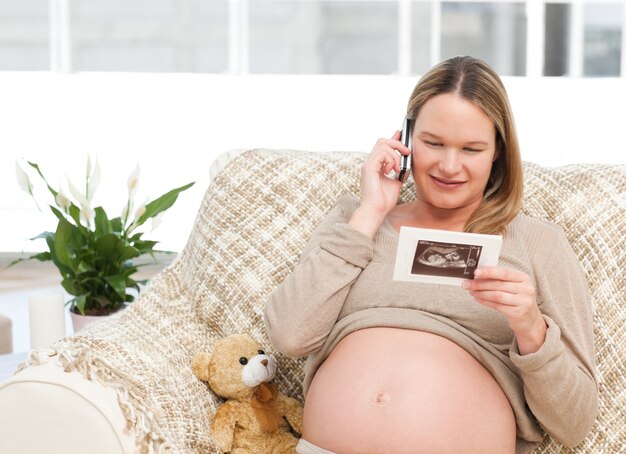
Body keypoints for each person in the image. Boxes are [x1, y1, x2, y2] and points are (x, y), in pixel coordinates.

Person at [263, 56, 598, 454]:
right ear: (405, 138)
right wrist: (371, 212)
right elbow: (289, 335)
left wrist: (531, 330)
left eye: (472, 148)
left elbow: (574, 424)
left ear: (498, 152)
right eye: (433, 143)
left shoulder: (537, 243)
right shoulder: (354, 222)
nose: (449, 166)